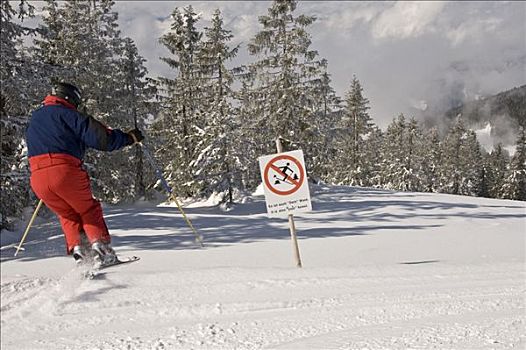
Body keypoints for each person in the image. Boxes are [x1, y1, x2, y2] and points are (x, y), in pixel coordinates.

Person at [26, 82, 144, 265]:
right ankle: (103, 251)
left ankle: (80, 251)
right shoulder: (69, 114)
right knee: (88, 208)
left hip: (38, 177)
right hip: (64, 170)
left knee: (68, 214)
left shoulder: (35, 118)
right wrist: (129, 138)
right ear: (70, 98)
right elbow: (102, 138)